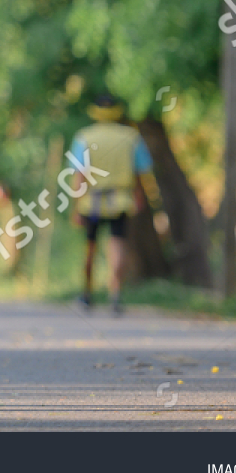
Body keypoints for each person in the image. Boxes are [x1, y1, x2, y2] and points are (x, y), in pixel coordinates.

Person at [69, 93, 151, 315]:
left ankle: (87, 293)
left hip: (91, 202)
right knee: (118, 245)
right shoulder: (131, 137)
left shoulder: (84, 137)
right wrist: (140, 196)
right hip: (121, 200)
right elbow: (141, 173)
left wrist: (76, 206)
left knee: (90, 247)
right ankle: (115, 294)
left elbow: (79, 177)